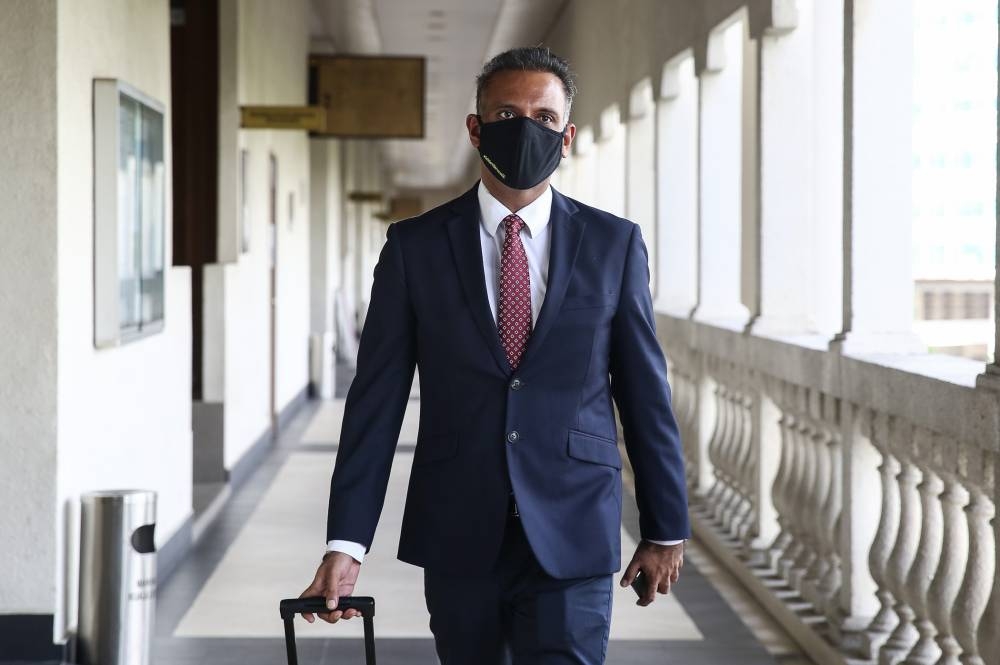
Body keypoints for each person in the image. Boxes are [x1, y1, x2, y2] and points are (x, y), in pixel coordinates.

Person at [300, 46, 690, 665]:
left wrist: (665, 526)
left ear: (566, 138)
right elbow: (375, 402)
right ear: (475, 129)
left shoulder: (613, 245)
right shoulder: (415, 247)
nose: (526, 129)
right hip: (458, 526)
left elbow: (645, 394)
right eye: (508, 115)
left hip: (575, 522)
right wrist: (346, 542)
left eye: (544, 117)